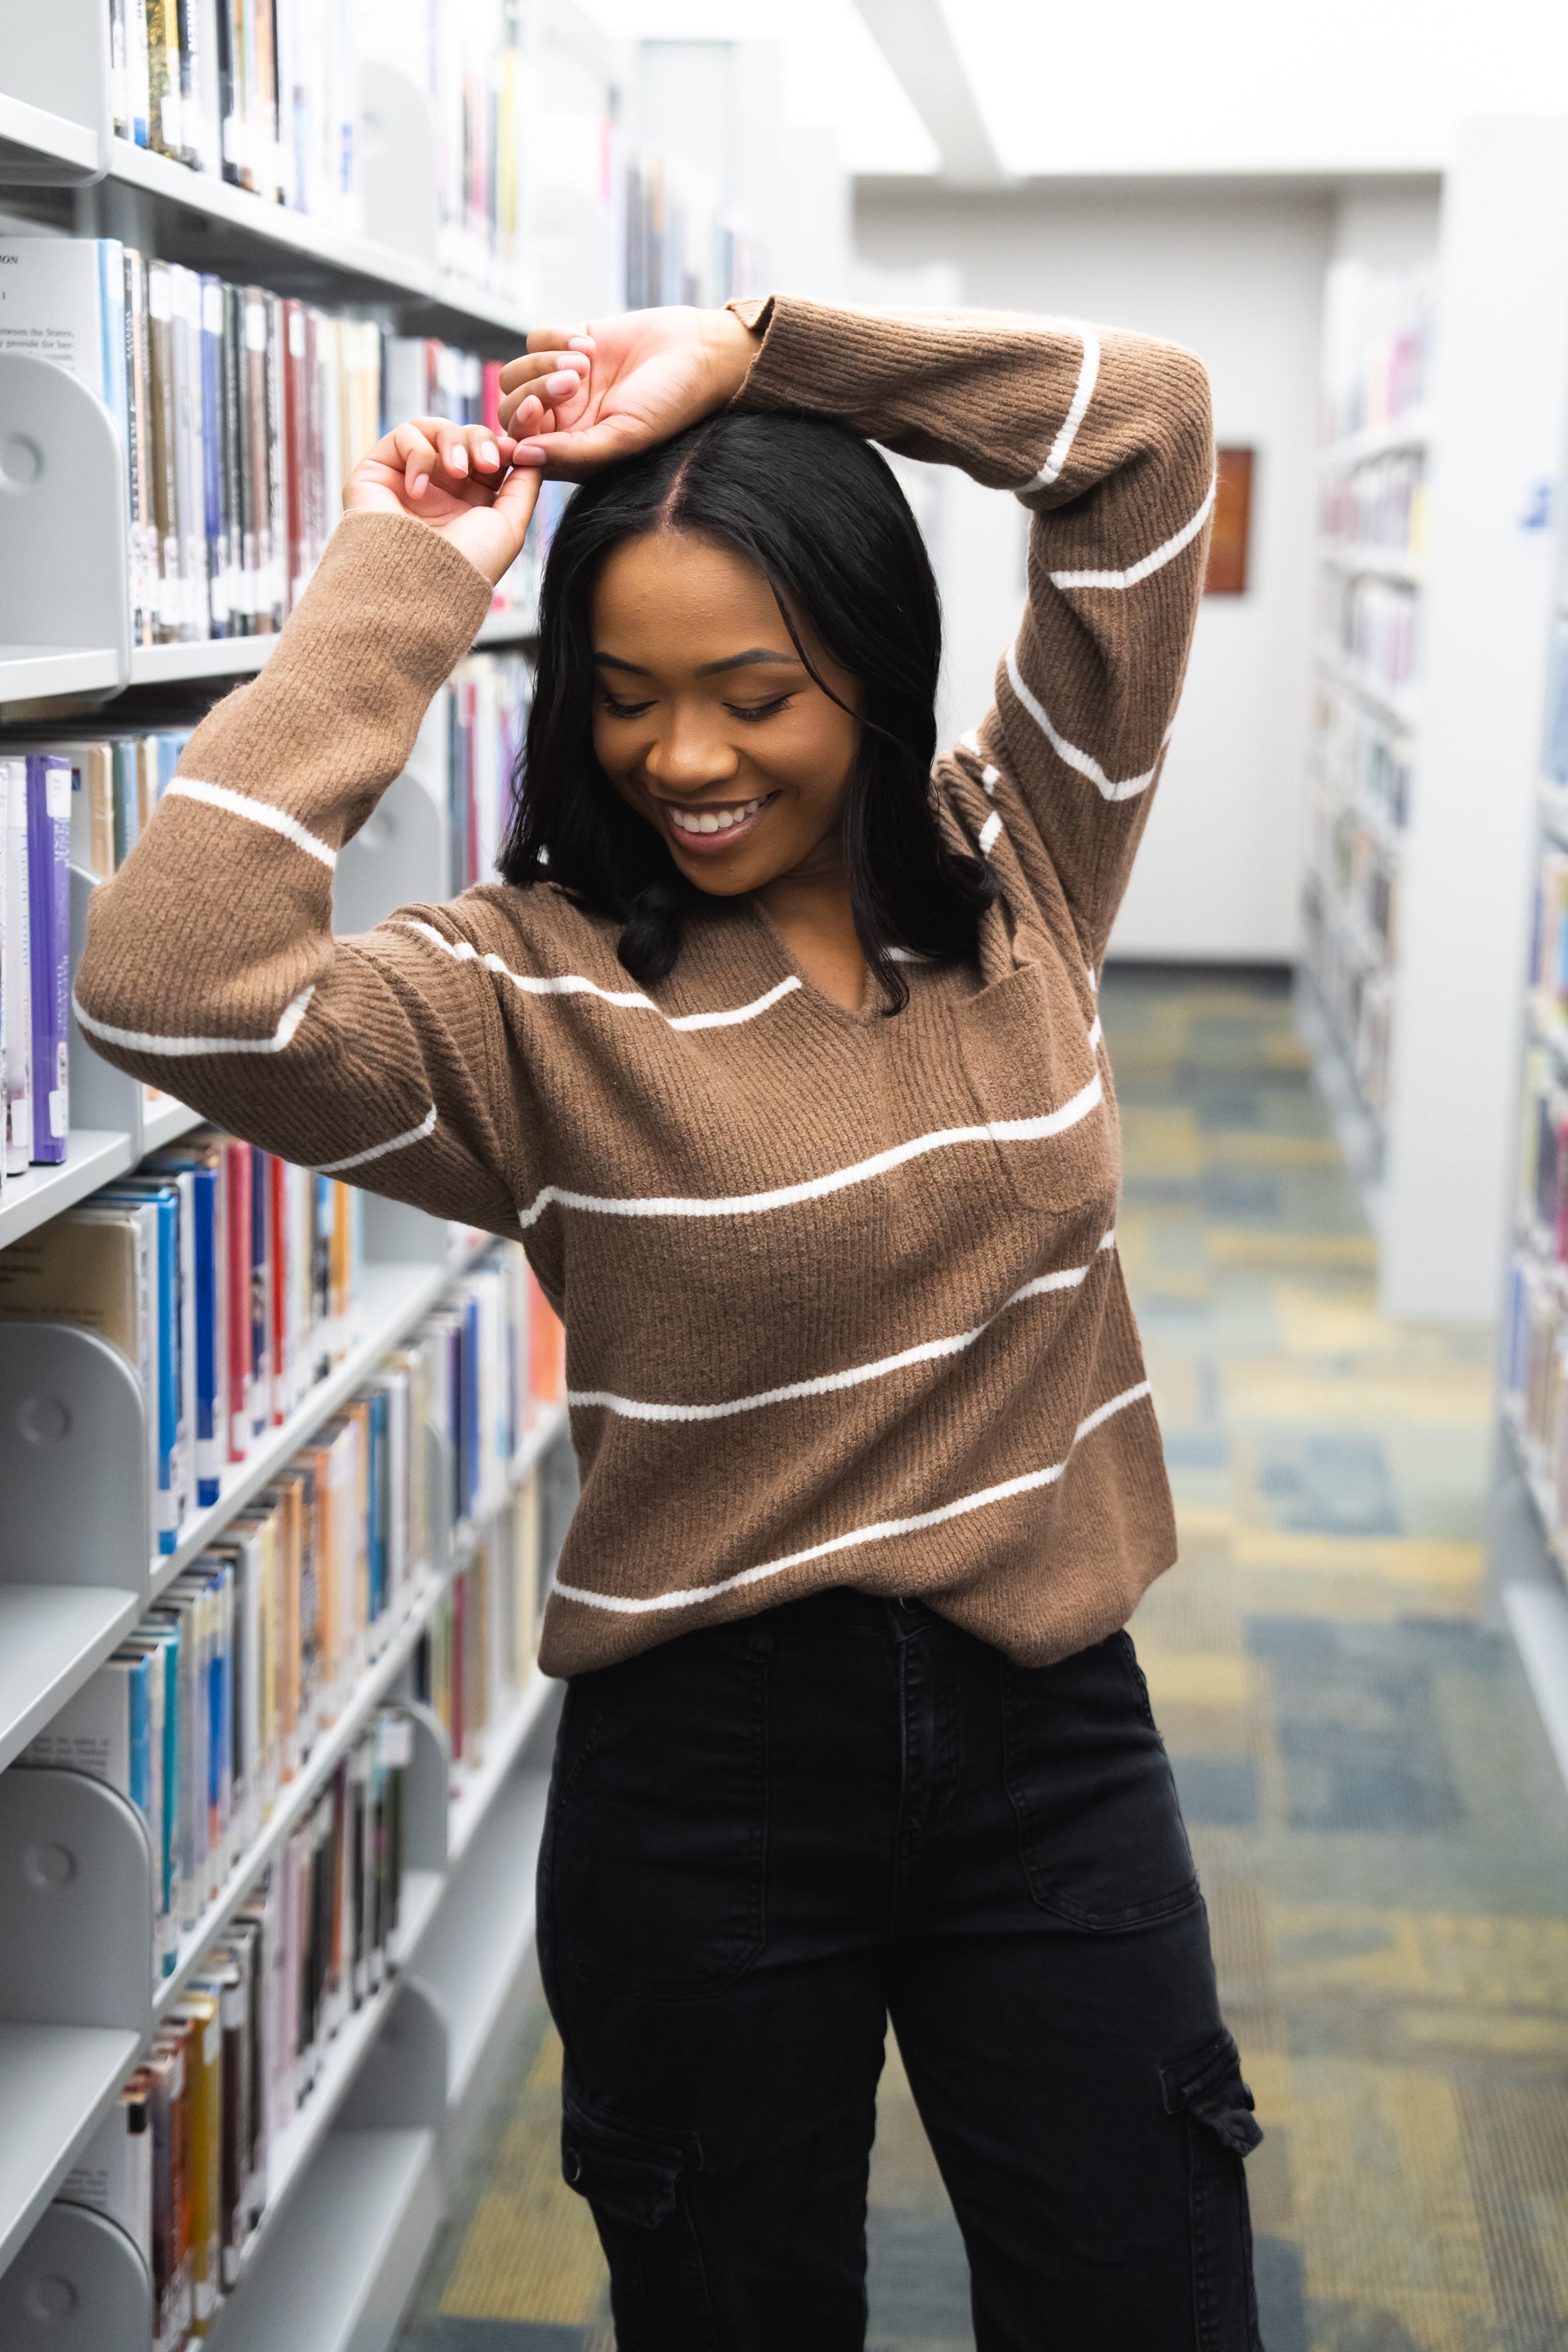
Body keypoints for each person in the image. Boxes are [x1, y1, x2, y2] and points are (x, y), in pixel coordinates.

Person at [76, 294, 1262, 2350]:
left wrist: (757, 353)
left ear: (872, 680)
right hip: (709, 1779)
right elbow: (172, 981)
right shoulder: (526, 1002)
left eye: (755, 692)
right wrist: (405, 593)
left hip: (1051, 1737)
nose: (686, 757)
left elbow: (1145, 430)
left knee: (1147, 2296)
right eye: (625, 694)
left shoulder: (1020, 866)